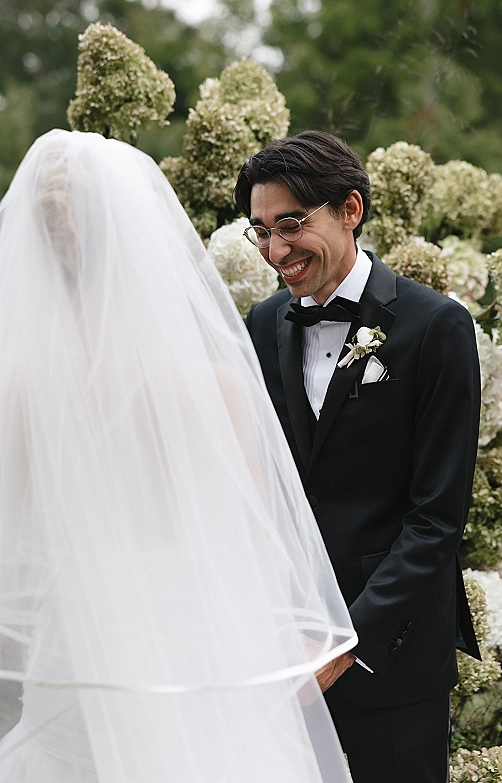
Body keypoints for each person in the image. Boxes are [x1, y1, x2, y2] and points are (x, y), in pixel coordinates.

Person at [0, 129, 358, 782]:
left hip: (72, 666)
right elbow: (253, 555)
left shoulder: (18, 384)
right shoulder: (214, 383)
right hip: (196, 672)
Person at [235, 130, 482, 783]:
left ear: (350, 209)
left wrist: (344, 644)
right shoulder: (262, 325)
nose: (275, 250)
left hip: (391, 651)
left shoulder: (436, 327)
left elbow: (437, 516)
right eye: (259, 231)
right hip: (282, 648)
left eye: (290, 224)